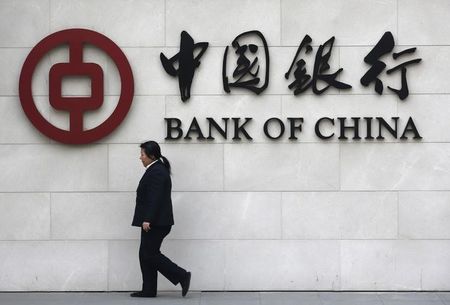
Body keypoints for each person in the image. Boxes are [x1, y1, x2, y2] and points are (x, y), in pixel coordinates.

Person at [130, 141, 191, 298]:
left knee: (149, 254)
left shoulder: (157, 171)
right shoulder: (156, 169)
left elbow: (155, 198)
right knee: (146, 254)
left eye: (142, 154)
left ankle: (181, 275)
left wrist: (147, 219)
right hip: (155, 222)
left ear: (151, 155)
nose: (140, 158)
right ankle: (149, 290)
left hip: (155, 222)